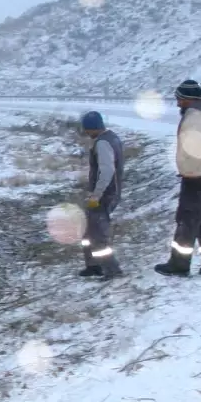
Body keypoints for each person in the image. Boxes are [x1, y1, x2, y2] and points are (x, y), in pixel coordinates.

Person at [154, 80, 201, 277]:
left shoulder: (194, 115)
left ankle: (179, 265)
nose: (178, 103)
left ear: (188, 99)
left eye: (179, 99)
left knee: (187, 219)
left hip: (200, 176)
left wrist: (191, 170)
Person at [78, 110, 124, 279]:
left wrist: (96, 195)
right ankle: (93, 265)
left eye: (87, 130)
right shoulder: (112, 138)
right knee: (88, 231)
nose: (86, 133)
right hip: (108, 192)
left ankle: (112, 270)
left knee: (98, 234)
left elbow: (107, 171)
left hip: (105, 194)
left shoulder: (102, 143)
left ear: (92, 128)